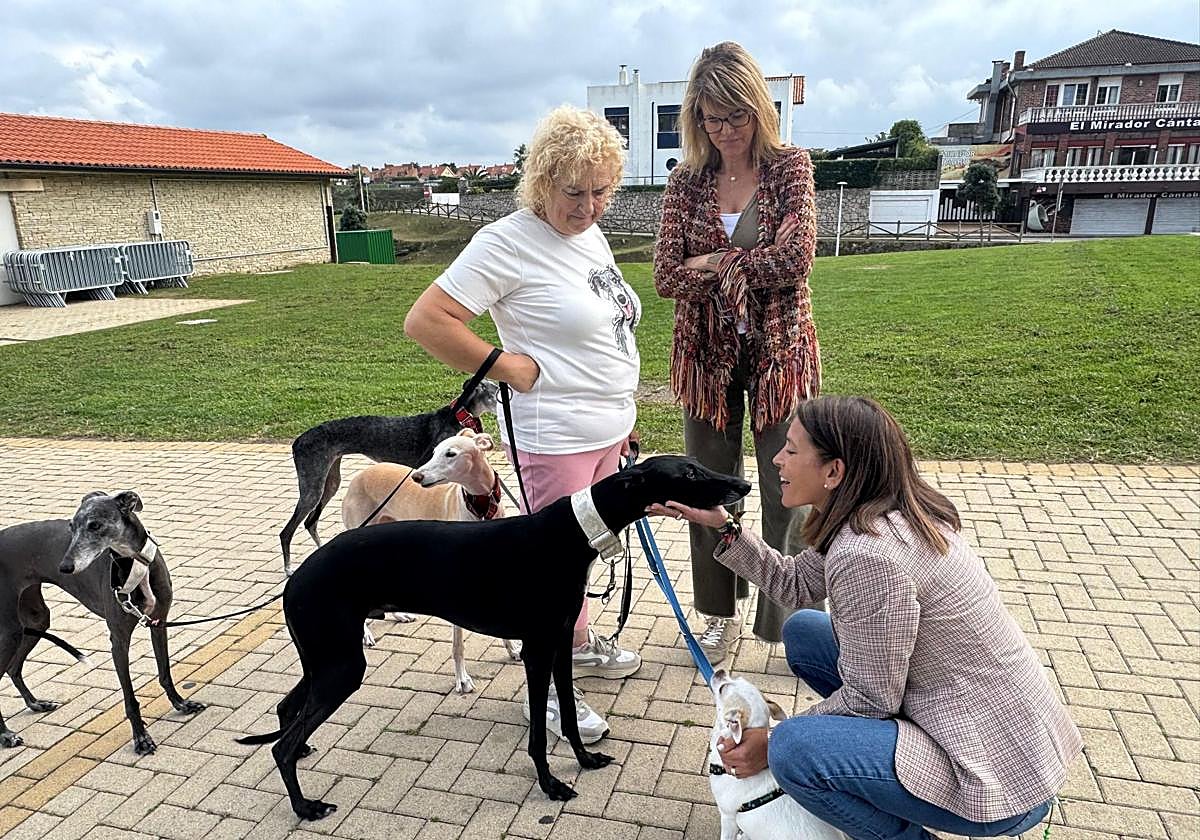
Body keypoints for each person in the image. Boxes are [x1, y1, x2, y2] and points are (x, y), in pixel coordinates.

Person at [650, 396, 1083, 840]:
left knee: (797, 753)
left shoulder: (868, 557)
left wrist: (773, 743)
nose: (777, 458)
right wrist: (723, 525)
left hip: (991, 776)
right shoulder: (879, 513)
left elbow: (870, 699)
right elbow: (795, 583)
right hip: (993, 731)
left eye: (792, 450)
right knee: (803, 630)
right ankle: (879, 769)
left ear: (834, 471)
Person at [404, 105, 642, 743]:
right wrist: (503, 364)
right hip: (556, 436)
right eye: (574, 192)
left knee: (587, 559)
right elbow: (427, 320)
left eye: (601, 192)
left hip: (607, 430)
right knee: (552, 576)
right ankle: (556, 697)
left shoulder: (587, 234)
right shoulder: (506, 242)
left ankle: (580, 645)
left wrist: (623, 419)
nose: (590, 206)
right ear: (541, 181)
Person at [653, 41, 820, 662]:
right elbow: (666, 275)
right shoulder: (685, 183)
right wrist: (743, 267)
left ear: (759, 110)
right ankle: (718, 612)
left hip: (781, 355)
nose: (724, 131)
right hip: (703, 359)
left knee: (790, 489)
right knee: (707, 489)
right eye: (711, 118)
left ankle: (790, 625)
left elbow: (796, 259)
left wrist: (716, 263)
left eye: (736, 116)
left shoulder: (790, 168)